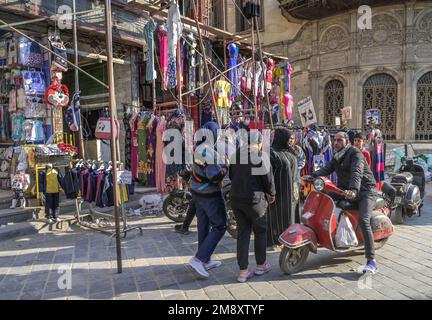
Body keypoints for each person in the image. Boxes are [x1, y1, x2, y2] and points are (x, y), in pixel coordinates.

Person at [309, 131, 379, 274]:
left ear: (347, 141)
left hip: (365, 191)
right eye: (334, 140)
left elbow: (356, 172)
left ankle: (371, 261)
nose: (336, 143)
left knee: (364, 220)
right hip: (345, 190)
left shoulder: (355, 153)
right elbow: (327, 168)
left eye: (340, 140)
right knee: (324, 198)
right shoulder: (338, 155)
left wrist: (353, 189)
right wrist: (312, 176)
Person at [229, 131, 276, 282]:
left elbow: (231, 175)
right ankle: (261, 266)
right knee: (260, 232)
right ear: (259, 143)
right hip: (255, 200)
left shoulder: (235, 155)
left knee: (243, 233)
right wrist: (272, 193)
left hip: (236, 198)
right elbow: (268, 179)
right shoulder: (261, 155)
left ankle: (243, 271)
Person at [188, 121, 228, 279]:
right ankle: (198, 259)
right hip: (209, 194)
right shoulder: (209, 151)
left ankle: (205, 258)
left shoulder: (199, 147)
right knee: (220, 225)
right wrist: (225, 168)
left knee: (203, 225)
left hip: (197, 192)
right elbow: (213, 176)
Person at [267, 128, 299, 246]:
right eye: (289, 138)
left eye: (293, 139)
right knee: (277, 215)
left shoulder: (291, 151)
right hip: (279, 191)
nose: (291, 141)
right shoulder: (272, 152)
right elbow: (268, 173)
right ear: (282, 138)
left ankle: (289, 236)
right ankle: (275, 238)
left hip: (292, 190)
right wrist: (270, 191)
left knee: (290, 214)